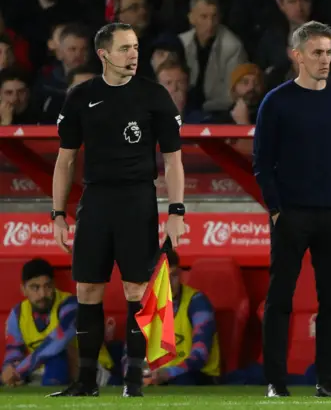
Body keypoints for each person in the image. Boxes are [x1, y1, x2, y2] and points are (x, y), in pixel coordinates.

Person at [48, 22, 185, 397]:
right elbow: (65, 161)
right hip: (95, 202)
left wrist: (176, 211)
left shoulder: (154, 95)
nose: (133, 54)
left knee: (136, 289)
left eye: (136, 47)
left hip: (137, 201)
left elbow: (173, 160)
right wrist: (58, 215)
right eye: (125, 48)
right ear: (104, 54)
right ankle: (87, 382)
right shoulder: (80, 96)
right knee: (88, 289)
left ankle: (134, 381)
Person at [252, 20, 331, 398]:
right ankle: (275, 382)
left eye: (329, 52)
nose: (325, 59)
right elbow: (262, 161)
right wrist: (277, 209)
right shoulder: (276, 101)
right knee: (280, 299)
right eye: (317, 52)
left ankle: (327, 380)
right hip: (292, 214)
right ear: (296, 55)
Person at [2, 259, 114, 387]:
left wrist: (19, 370)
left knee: (58, 354)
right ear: (23, 289)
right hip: (43, 372)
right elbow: (13, 351)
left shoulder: (71, 305)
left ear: (54, 285)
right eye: (35, 287)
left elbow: (57, 342)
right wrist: (9, 369)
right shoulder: (17, 314)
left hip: (94, 371)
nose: (42, 294)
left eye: (48, 286)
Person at [144, 249, 221, 386]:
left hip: (197, 376)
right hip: (160, 376)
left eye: (173, 276)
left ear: (180, 274)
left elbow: (200, 355)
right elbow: (130, 351)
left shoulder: (198, 303)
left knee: (180, 381)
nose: (168, 284)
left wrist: (168, 373)